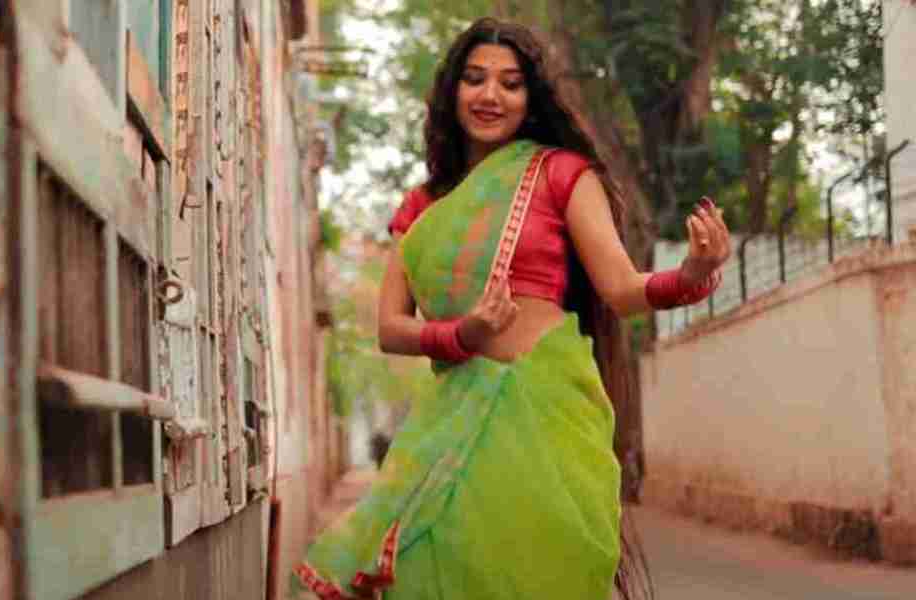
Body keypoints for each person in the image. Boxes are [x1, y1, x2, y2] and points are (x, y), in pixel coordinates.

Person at [293, 17, 730, 600]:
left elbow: (622, 289)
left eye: (510, 82)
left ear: (532, 97)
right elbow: (391, 329)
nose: (490, 95)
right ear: (453, 92)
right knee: (437, 571)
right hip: (451, 423)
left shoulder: (561, 175)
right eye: (475, 79)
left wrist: (694, 274)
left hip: (547, 412)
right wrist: (463, 335)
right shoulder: (422, 206)